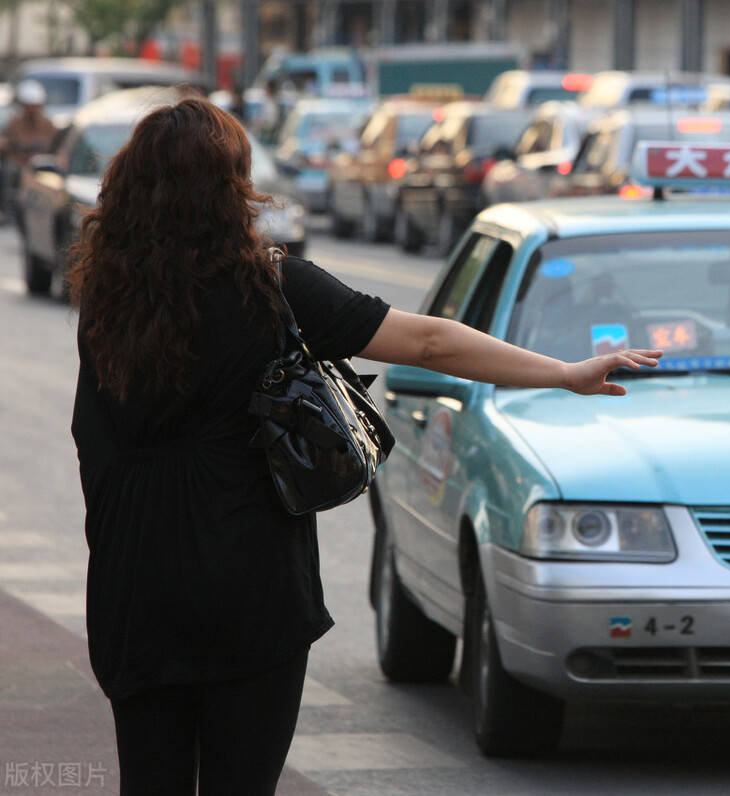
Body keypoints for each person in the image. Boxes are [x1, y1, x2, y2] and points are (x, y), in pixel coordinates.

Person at [67, 97, 660, 795]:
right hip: (250, 586)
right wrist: (563, 372)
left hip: (136, 584)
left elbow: (92, 440)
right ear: (231, 189)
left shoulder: (107, 300)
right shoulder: (274, 289)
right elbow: (429, 340)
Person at [0, 80, 58, 219]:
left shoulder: (47, 124)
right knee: (7, 171)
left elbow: (55, 146)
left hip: (41, 165)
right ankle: (7, 208)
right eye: (28, 106)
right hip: (18, 164)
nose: (31, 110)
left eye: (34, 106)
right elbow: (5, 143)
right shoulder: (14, 123)